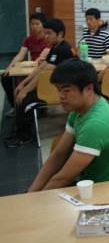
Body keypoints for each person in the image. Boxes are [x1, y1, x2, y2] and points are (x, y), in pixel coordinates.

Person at [27, 59, 109, 190]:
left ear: (89, 89)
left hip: (107, 190)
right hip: (87, 182)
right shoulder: (79, 110)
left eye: (66, 90)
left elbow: (63, 178)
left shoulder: (95, 124)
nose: (61, 96)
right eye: (58, 90)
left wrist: (36, 197)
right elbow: (59, 154)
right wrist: (32, 192)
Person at [5, 19, 76, 148]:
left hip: (63, 91)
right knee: (22, 96)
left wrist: (24, 90)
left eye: (49, 33)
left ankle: (25, 136)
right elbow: (41, 68)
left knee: (24, 100)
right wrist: (23, 84)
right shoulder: (55, 48)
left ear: (60, 34)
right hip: (54, 87)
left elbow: (43, 74)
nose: (46, 36)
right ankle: (19, 133)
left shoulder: (63, 49)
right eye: (45, 33)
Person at [1, 12, 49, 118]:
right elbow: (20, 55)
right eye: (32, 24)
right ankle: (16, 106)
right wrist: (8, 69)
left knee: (25, 83)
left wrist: (33, 65)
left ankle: (36, 107)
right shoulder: (28, 39)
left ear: (43, 25)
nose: (34, 26)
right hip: (29, 68)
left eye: (37, 24)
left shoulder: (48, 39)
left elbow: (41, 57)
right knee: (6, 79)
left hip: (39, 69)